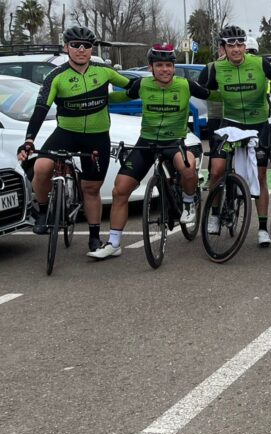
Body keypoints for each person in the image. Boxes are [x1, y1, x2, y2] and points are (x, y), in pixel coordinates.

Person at [17, 25, 132, 254]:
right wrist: (29, 140)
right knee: (41, 167)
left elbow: (133, 87)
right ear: (66, 48)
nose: (81, 49)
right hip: (66, 134)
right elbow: (40, 109)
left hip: (97, 137)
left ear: (91, 49)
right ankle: (42, 211)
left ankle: (94, 237)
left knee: (91, 189)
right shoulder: (56, 76)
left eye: (86, 46)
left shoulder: (104, 71)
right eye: (75, 45)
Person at [88, 43, 209, 259]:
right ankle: (114, 243)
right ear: (151, 67)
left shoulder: (185, 85)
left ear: (174, 67)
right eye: (159, 65)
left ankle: (189, 203)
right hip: (147, 142)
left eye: (168, 65)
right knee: (120, 190)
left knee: (188, 167)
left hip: (174, 141)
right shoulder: (142, 84)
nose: (165, 69)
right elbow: (121, 97)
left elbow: (213, 95)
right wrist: (93, 98)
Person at [199, 24, 271, 248]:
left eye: (240, 44)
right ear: (223, 48)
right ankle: (215, 214)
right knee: (217, 170)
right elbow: (203, 89)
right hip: (231, 123)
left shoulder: (259, 63)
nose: (237, 49)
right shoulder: (216, 68)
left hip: (258, 125)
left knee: (260, 176)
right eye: (231, 45)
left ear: (245, 46)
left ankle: (263, 228)